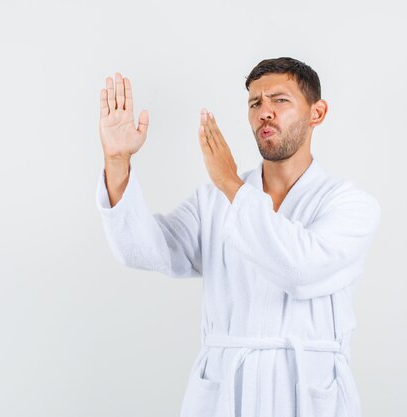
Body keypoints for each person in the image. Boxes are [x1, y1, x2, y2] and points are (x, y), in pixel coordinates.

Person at [95, 57, 381, 417]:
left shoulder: (350, 205)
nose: (265, 112)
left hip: (306, 392)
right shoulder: (213, 200)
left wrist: (231, 183)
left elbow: (301, 269)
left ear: (317, 113)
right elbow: (142, 249)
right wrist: (117, 161)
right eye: (255, 103)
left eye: (280, 100)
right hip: (225, 391)